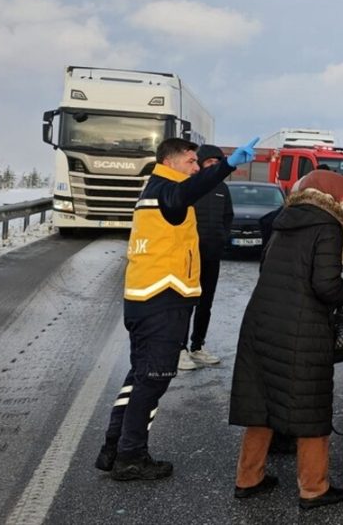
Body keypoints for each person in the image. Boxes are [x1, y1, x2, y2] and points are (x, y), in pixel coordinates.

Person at [95, 136, 259, 482]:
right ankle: (131, 456)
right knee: (153, 381)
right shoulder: (168, 191)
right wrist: (227, 166)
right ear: (171, 161)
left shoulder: (154, 189)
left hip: (145, 300)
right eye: (191, 161)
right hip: (162, 302)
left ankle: (114, 446)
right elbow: (189, 192)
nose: (196, 168)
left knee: (139, 377)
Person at [229, 169, 343, 510]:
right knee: (310, 407)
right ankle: (314, 489)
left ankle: (248, 478)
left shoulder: (284, 220)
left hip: (262, 322)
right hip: (302, 329)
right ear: (330, 193)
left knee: (261, 404)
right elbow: (326, 284)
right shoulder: (327, 225)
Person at [178, 144, 233, 370]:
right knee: (185, 303)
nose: (213, 166)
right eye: (209, 162)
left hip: (212, 254)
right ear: (200, 163)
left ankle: (197, 346)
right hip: (189, 256)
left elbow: (227, 217)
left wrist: (222, 238)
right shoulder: (190, 186)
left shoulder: (222, 189)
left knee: (205, 303)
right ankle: (180, 350)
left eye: (217, 163)